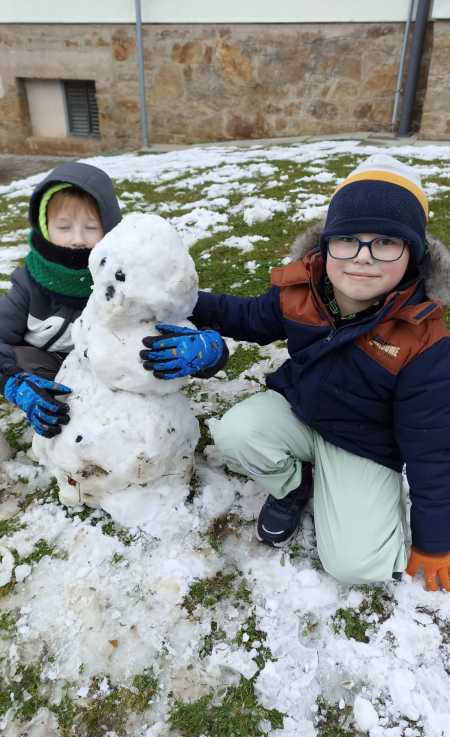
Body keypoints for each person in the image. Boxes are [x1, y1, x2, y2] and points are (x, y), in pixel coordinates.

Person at [141, 154, 450, 592]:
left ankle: (347, 492)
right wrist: (182, 304)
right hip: (301, 412)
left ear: (413, 254)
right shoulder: (302, 290)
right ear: (327, 243)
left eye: (385, 242)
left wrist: (435, 540)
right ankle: (292, 485)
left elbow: (431, 449)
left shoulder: (424, 341)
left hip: (364, 445)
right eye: (348, 239)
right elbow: (246, 317)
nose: (362, 257)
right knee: (235, 433)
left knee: (358, 566)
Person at [0, 162, 121, 438]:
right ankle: (50, 409)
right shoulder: (29, 283)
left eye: (91, 227)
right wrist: (12, 380)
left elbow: (166, 308)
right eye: (64, 227)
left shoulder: (120, 276)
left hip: (105, 367)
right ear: (45, 227)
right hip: (45, 370)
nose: (77, 239)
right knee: (18, 358)